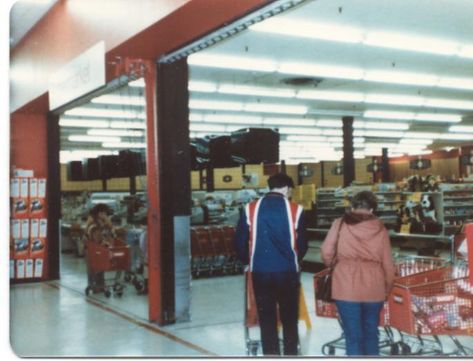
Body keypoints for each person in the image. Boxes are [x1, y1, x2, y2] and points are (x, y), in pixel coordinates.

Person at [234, 173, 308, 356]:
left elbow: (239, 242)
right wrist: (295, 261)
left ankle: (271, 354)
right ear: (286, 188)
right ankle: (291, 353)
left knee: (266, 318)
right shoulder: (296, 210)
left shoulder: (250, 209)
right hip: (288, 272)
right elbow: (303, 244)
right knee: (290, 318)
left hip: (260, 271)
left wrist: (248, 261)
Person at [321, 190, 395, 356]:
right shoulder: (381, 228)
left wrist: (336, 266)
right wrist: (387, 288)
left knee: (352, 335)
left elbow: (326, 251)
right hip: (374, 286)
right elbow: (388, 264)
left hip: (345, 284)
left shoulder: (340, 223)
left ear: (352, 206)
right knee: (371, 333)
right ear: (372, 210)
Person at [85, 203, 116, 292]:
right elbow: (97, 238)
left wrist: (109, 225)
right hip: (92, 249)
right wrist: (106, 244)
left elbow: (113, 234)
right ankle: (94, 286)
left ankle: (100, 285)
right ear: (98, 214)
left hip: (100, 249)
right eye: (103, 213)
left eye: (106, 214)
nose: (105, 215)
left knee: (100, 267)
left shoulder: (103, 223)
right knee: (93, 268)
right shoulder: (93, 225)